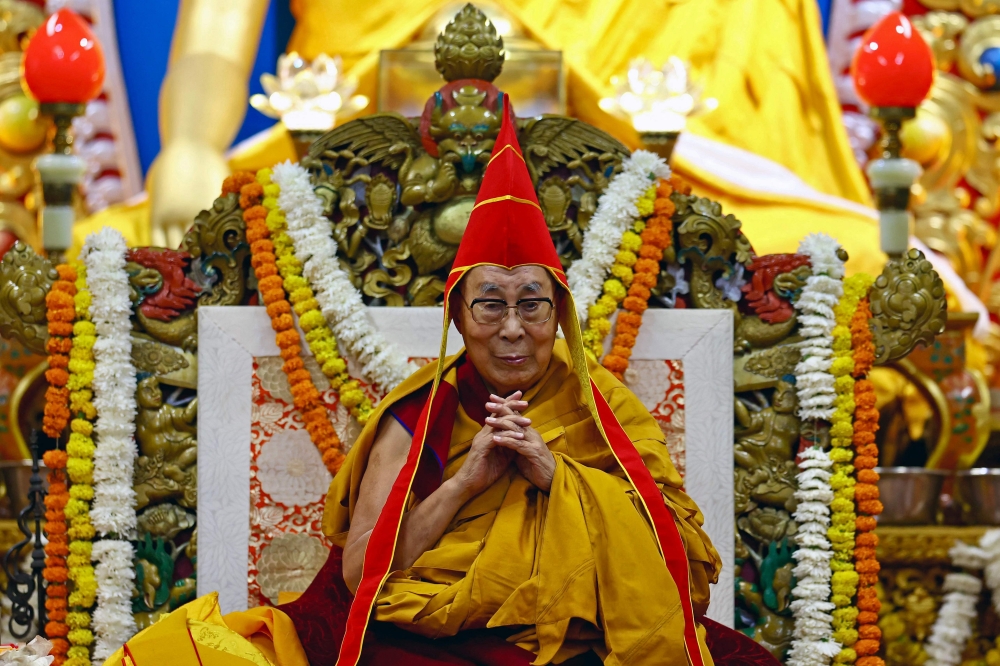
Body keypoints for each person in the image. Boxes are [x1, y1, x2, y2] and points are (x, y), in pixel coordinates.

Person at [108, 100, 726, 666]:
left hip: (582, 633)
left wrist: (553, 475)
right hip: (439, 634)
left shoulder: (603, 409)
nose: (513, 329)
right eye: (490, 304)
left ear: (558, 313)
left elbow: (678, 553)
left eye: (532, 304)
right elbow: (362, 573)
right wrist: (465, 482)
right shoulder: (419, 414)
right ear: (457, 316)